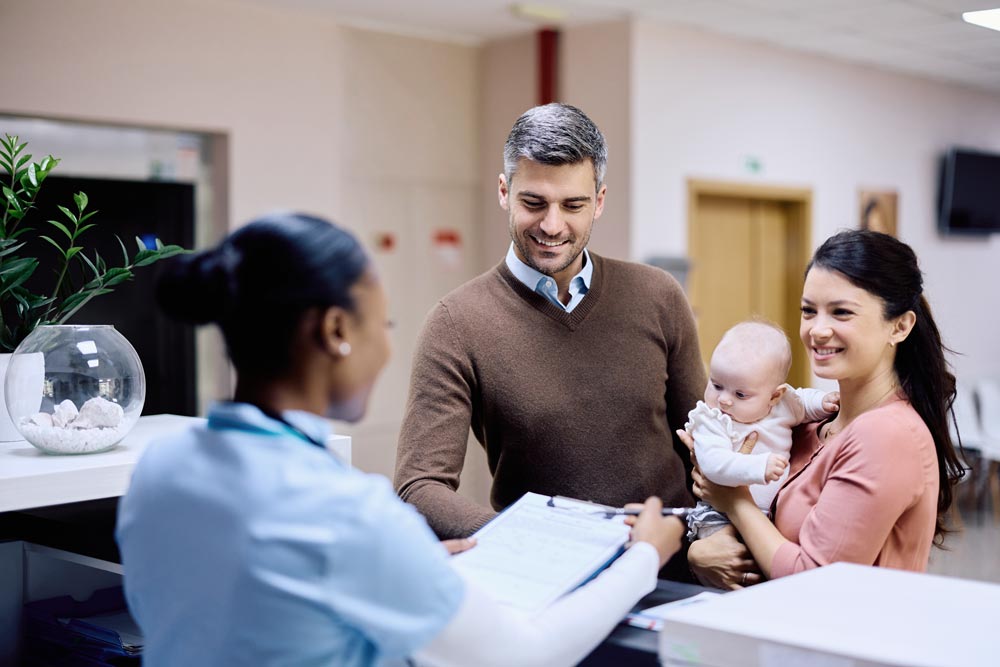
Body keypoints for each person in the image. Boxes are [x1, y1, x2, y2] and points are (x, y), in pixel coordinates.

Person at [115, 212, 686, 667]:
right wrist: (642, 557)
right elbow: (522, 655)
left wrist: (407, 565)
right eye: (383, 326)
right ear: (337, 331)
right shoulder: (347, 514)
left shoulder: (160, 468)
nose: (387, 350)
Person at [393, 104, 706, 565]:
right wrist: (529, 540)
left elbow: (704, 448)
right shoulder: (455, 324)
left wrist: (707, 536)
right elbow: (419, 486)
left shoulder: (658, 296)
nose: (552, 225)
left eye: (573, 205)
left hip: (670, 572)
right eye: (533, 203)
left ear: (599, 200)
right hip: (542, 577)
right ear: (505, 192)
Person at [686, 229, 965, 589]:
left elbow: (815, 579)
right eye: (808, 311)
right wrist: (702, 551)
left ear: (900, 326)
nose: (817, 330)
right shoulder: (811, 423)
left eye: (841, 313)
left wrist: (733, 499)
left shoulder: (888, 435)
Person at [685, 320, 839, 540]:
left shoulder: (783, 404)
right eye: (717, 385)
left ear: (775, 396)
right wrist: (758, 466)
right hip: (718, 515)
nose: (724, 400)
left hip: (770, 515)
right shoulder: (713, 419)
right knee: (726, 552)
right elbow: (713, 463)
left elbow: (803, 401)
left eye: (740, 394)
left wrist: (823, 402)